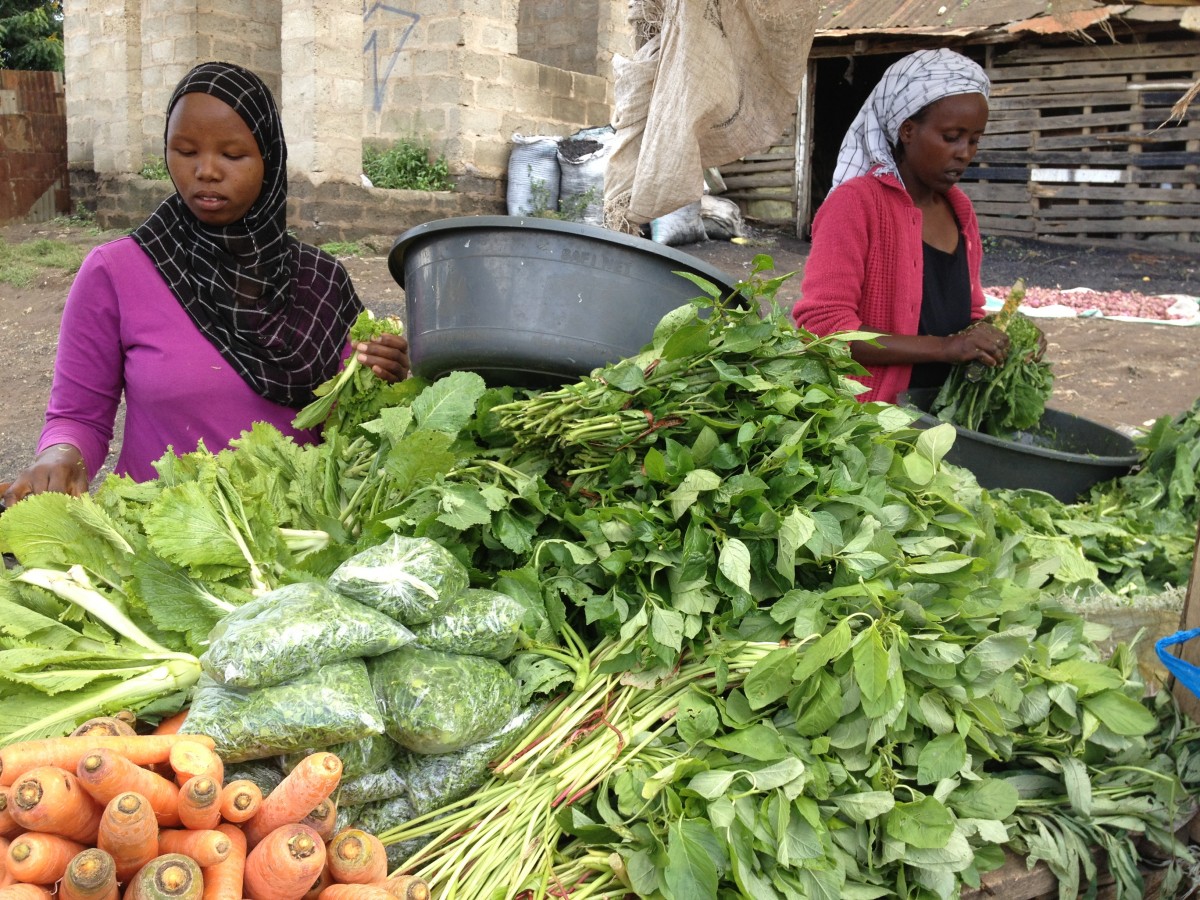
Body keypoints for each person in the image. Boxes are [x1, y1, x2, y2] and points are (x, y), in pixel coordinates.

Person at [0, 61, 408, 507]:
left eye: (232, 155)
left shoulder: (322, 282)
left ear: (270, 159)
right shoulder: (117, 271)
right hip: (159, 541)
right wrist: (61, 455)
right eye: (185, 150)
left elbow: (350, 431)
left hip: (294, 548)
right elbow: (78, 417)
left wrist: (386, 375)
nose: (206, 171)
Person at [792, 48, 1014, 404]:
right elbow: (824, 330)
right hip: (867, 425)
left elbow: (966, 315)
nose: (965, 152)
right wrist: (944, 348)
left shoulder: (960, 211)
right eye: (951, 136)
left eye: (974, 140)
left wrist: (1000, 337)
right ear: (907, 131)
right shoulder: (856, 204)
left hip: (943, 419)